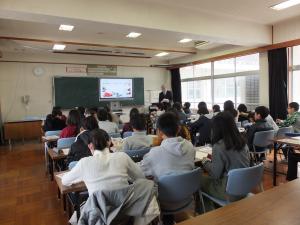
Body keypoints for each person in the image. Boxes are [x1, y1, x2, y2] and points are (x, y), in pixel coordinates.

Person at [62, 129, 145, 195]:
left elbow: (65, 181)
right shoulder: (122, 156)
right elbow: (140, 176)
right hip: (125, 210)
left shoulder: (84, 163)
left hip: (100, 212)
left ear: (90, 146)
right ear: (109, 142)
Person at [200, 112, 250, 205]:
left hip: (228, 191)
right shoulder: (243, 143)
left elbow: (215, 175)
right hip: (244, 187)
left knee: (198, 179)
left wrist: (205, 161)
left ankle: (206, 213)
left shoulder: (219, 146)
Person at [140, 112, 195, 181]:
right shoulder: (190, 146)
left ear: (159, 131)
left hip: (164, 191)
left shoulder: (155, 152)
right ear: (178, 129)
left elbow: (141, 170)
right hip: (189, 189)